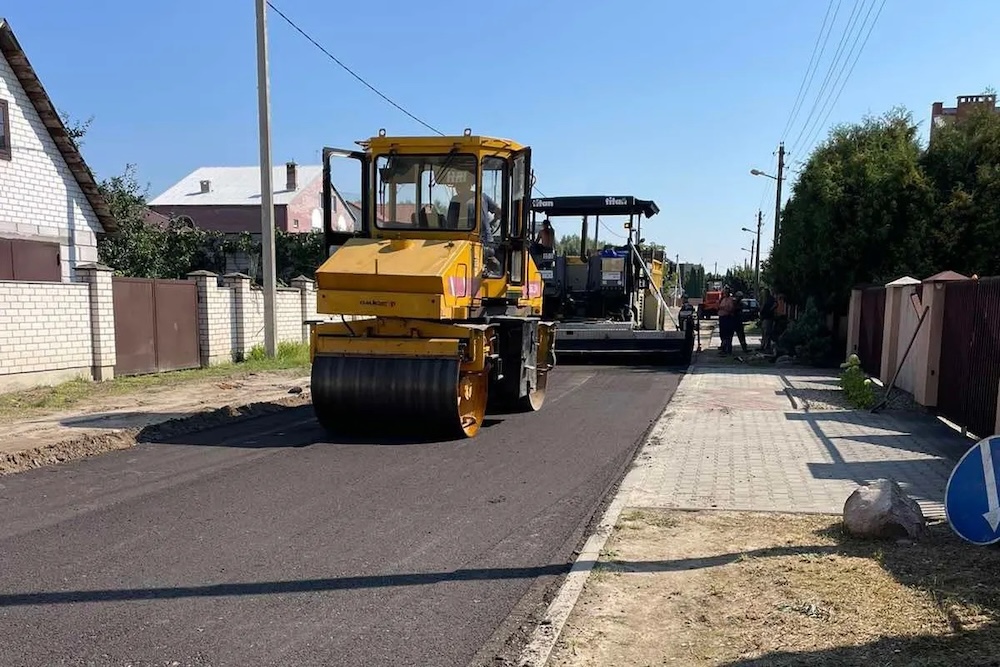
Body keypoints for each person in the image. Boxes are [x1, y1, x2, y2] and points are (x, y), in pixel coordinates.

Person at [717, 287, 736, 355]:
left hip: (727, 318)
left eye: (726, 292)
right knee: (722, 334)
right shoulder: (722, 299)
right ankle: (723, 348)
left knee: (728, 335)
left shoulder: (731, 300)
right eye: (724, 292)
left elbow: (731, 309)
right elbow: (718, 307)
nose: (725, 293)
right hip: (722, 318)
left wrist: (723, 308)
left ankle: (728, 349)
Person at [759, 289, 776, 353]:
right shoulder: (763, 299)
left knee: (767, 332)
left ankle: (767, 346)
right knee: (764, 333)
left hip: (768, 318)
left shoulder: (770, 299)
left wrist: (771, 310)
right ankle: (763, 346)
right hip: (763, 317)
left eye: (764, 292)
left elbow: (775, 304)